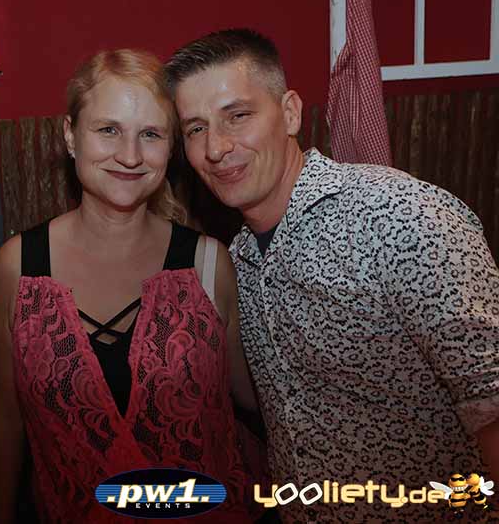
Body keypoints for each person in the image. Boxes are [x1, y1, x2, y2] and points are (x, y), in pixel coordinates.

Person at [164, 28, 499, 522]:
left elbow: (491, 402)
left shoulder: (400, 217)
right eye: (196, 129)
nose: (216, 147)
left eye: (238, 115)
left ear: (290, 113)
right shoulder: (236, 260)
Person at [0, 49, 263, 523]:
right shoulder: (20, 267)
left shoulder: (207, 263)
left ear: (170, 149)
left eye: (150, 134)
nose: (130, 156)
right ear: (71, 135)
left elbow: (256, 396)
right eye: (108, 130)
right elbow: (5, 422)